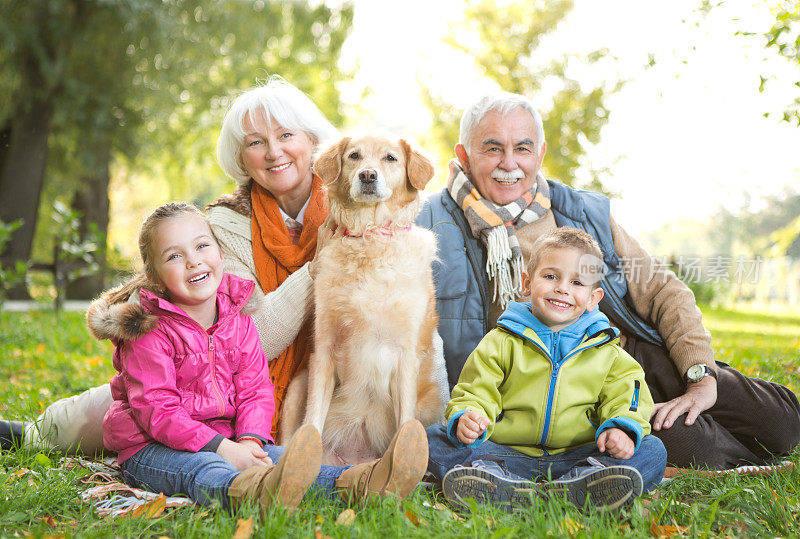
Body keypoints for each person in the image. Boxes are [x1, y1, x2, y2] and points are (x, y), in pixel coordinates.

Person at [0, 76, 448, 455]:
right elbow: (253, 335)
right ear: (242, 158)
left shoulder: (367, 206)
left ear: (312, 143)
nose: (274, 152)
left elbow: (412, 324)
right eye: (256, 143)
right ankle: (36, 434)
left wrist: (437, 411)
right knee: (123, 406)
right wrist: (319, 268)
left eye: (286, 136)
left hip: (330, 390)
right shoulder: (225, 225)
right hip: (230, 382)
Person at [415, 91, 800, 470]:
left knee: (782, 423)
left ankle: (718, 419)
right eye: (493, 148)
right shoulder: (429, 226)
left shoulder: (581, 212)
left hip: (628, 355)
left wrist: (698, 376)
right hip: (564, 395)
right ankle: (716, 449)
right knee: (698, 447)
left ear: (541, 154)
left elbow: (663, 289)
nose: (509, 163)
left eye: (523, 148)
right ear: (464, 156)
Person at [94, 201, 428, 510]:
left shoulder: (238, 322)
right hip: (152, 448)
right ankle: (251, 493)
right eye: (174, 256)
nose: (194, 260)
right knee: (203, 467)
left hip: (228, 439)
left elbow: (255, 391)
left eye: (201, 246)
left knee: (284, 458)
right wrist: (225, 450)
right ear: (153, 277)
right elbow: (158, 411)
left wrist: (250, 441)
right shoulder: (149, 332)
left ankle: (358, 483)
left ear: (220, 254)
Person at [426, 228, 666, 513]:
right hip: (507, 453)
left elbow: (629, 395)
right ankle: (500, 480)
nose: (562, 288)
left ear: (593, 298)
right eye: (551, 276)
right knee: (432, 439)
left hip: (579, 456)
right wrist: (469, 417)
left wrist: (621, 428)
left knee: (652, 450)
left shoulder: (607, 351)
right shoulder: (502, 341)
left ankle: (584, 482)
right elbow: (476, 388)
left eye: (577, 282)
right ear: (527, 283)